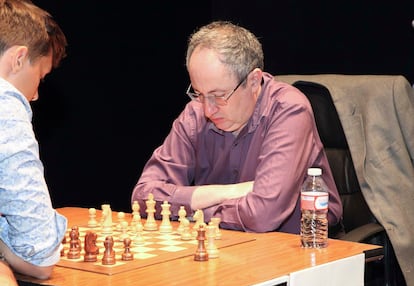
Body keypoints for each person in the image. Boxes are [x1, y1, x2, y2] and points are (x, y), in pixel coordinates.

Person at [131, 21, 342, 233]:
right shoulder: (194, 114)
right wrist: (230, 192)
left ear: (253, 81)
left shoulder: (289, 109)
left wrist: (194, 210)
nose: (207, 110)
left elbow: (262, 215)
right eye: (199, 93)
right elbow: (142, 196)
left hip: (301, 245)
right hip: (225, 244)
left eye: (218, 96)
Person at [0, 0, 68, 286]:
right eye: (39, 76)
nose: (36, 94)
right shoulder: (6, 106)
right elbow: (40, 257)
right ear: (18, 59)